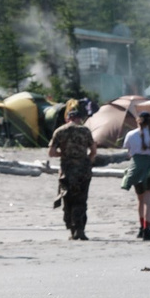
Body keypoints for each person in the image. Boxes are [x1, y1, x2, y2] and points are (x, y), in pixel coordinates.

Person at [48, 100, 97, 240]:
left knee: (68, 199)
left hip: (67, 171)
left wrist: (63, 154)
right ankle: (80, 229)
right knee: (81, 200)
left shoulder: (60, 131)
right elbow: (93, 151)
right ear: (79, 119)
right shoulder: (85, 131)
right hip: (83, 170)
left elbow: (51, 152)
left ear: (68, 118)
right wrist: (87, 160)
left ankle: (71, 228)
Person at [122, 107, 150, 241]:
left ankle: (141, 228)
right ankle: (147, 229)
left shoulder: (130, 134)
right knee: (149, 201)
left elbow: (128, 152)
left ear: (138, 121)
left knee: (140, 200)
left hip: (137, 167)